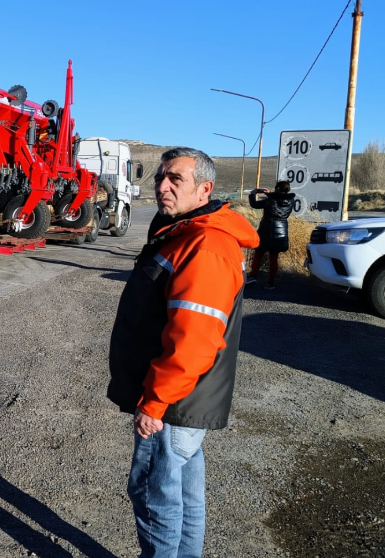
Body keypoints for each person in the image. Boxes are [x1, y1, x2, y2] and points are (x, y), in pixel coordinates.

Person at [107, 147, 259, 557]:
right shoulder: (184, 232)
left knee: (155, 497)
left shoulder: (206, 244)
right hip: (183, 397)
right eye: (160, 177)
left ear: (204, 189)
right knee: (183, 493)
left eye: (176, 179)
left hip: (175, 400)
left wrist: (155, 402)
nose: (162, 186)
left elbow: (194, 339)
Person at [246, 181, 296, 289]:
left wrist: (252, 194)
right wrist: (270, 195)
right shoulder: (291, 201)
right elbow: (279, 200)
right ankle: (270, 282)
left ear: (277, 188)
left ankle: (253, 276)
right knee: (274, 257)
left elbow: (254, 204)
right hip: (281, 231)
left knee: (259, 253)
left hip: (266, 230)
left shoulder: (270, 200)